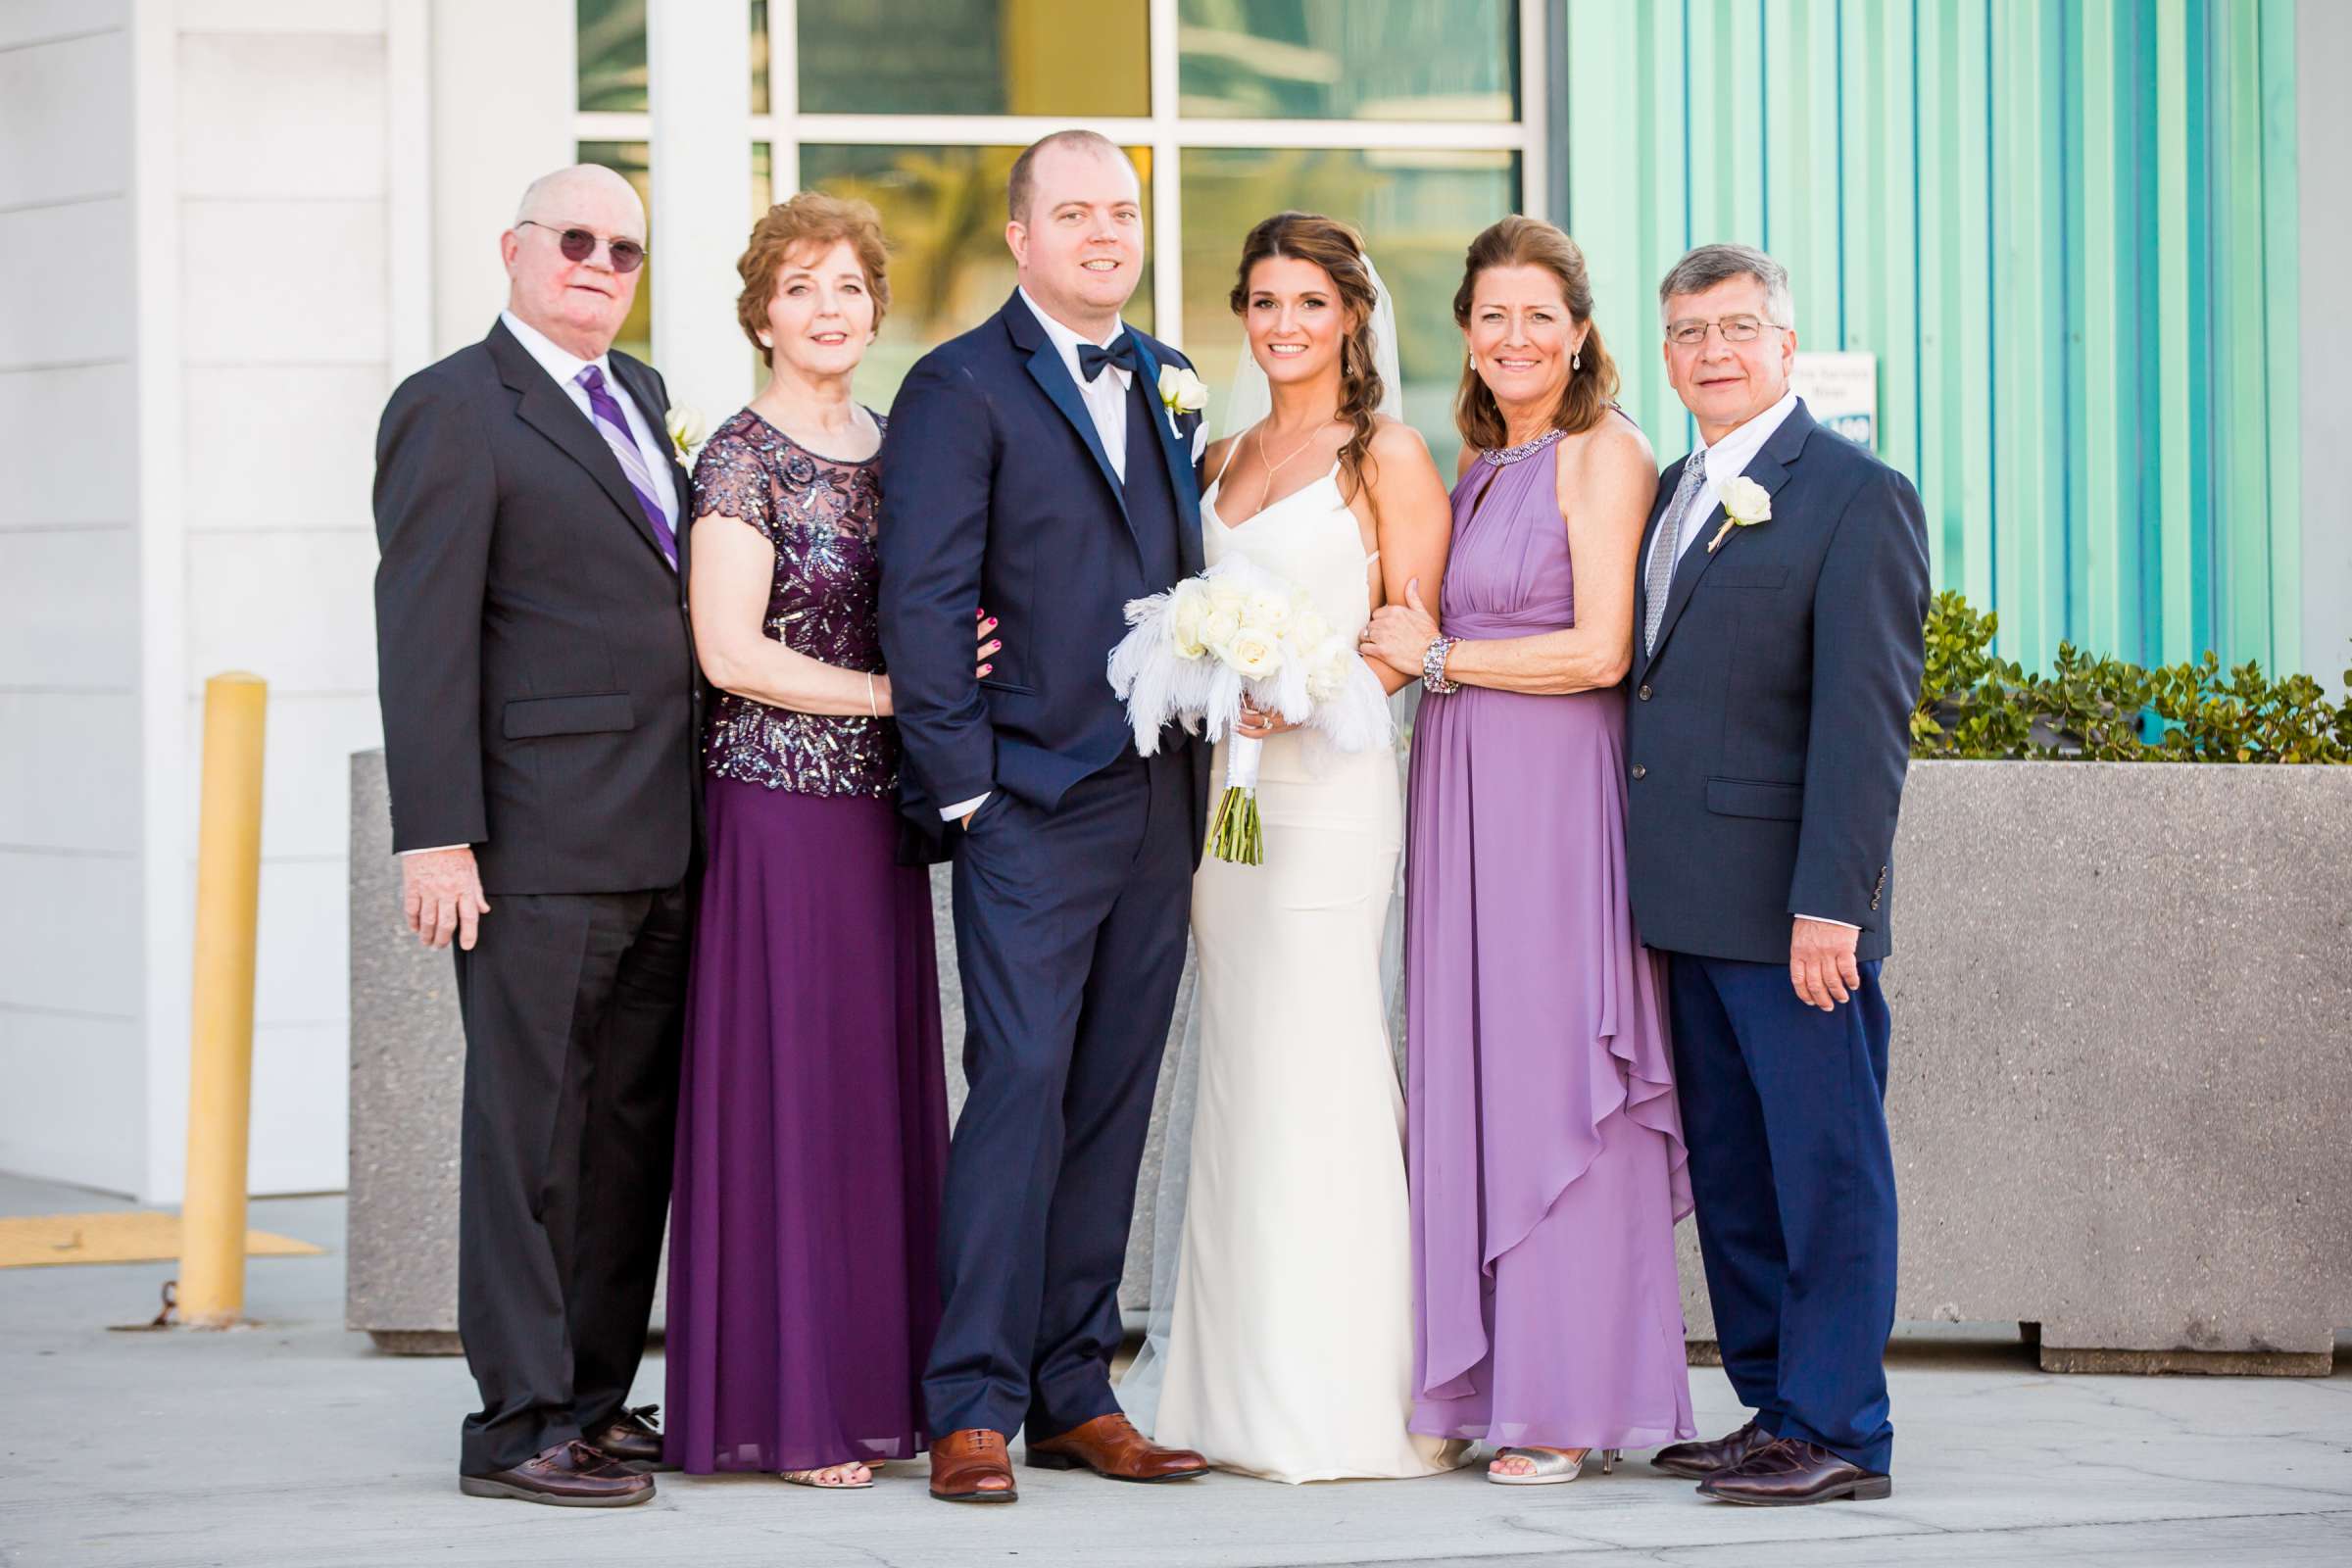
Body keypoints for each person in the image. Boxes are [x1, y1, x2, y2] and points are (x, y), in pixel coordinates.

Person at [876, 129, 1214, 1505]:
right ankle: (969, 1400)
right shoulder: (959, 385)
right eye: (1072, 213)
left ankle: (1076, 1383)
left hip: (1157, 798)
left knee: (1112, 1095)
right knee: (1016, 1088)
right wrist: (966, 789)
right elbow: (925, 598)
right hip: (1025, 799)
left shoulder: (1167, 376)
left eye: (1120, 211)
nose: (1102, 233)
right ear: (1020, 237)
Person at [373, 164, 697, 1507]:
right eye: (574, 240)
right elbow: (423, 631)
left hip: (666, 829)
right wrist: (436, 835)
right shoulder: (451, 407)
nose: (599, 265)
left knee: (626, 1134)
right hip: (533, 841)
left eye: (624, 249)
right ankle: (513, 1426)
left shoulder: (647, 400)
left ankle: (593, 1399)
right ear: (514, 251)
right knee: (530, 1140)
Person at [1124, 213, 1463, 1484]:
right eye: (1263, 301)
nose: (1283, 325)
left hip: (1331, 798)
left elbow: (1410, 630)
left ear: (1351, 317)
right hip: (1232, 809)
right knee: (1240, 1064)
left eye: (1308, 304)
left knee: (1324, 1053)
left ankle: (1342, 1394)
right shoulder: (1215, 454)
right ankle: (1223, 1383)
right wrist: (1214, 679)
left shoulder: (1389, 454)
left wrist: (1308, 687)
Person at [1361, 215, 1695, 1486]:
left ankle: (1567, 1395)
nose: (1514, 338)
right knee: (1475, 1072)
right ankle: (1486, 1376)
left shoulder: (1604, 454)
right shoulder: (1477, 458)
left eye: (1538, 317)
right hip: (1457, 792)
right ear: (1466, 331)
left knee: (1559, 1071)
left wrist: (1440, 660)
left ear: (1580, 332)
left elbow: (1602, 650)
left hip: (1558, 800)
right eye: (1491, 316)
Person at [662, 193, 990, 1491]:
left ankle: (872, 1396)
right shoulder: (740, 455)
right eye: (801, 287)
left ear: (876, 307)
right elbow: (728, 653)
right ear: (761, 312)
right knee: (794, 1102)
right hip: (779, 810)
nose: (828, 308)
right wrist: (901, 695)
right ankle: (794, 1412)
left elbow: (940, 594)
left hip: (879, 819)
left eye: (849, 285)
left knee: (870, 1101)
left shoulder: (902, 439)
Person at [1626, 243, 1930, 1506]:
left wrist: (1833, 909)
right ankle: (1773, 1403)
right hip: (1685, 903)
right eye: (1690, 334)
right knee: (1739, 1172)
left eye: (1738, 330)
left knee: (1826, 1166)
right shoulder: (1669, 489)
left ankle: (1844, 1426)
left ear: (1787, 348)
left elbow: (1868, 724)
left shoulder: (1857, 495)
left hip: (1794, 912)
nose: (1714, 354)